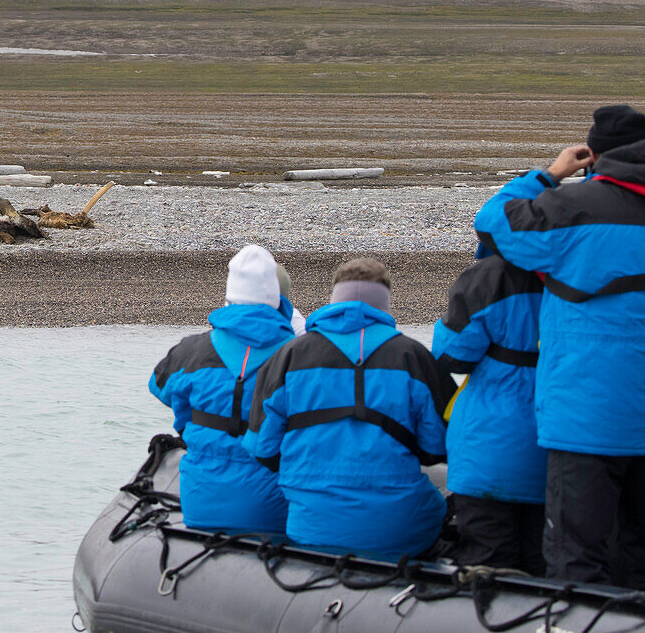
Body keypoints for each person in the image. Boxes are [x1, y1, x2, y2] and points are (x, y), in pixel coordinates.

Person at [473, 104, 645, 587]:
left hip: (585, 420)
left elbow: (492, 223)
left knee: (576, 563)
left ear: (594, 157)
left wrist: (549, 174)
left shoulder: (569, 210)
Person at [244, 258, 454, 560]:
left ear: (334, 299)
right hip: (399, 529)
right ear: (386, 302)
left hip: (312, 526)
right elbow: (436, 449)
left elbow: (263, 449)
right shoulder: (413, 356)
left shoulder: (287, 357)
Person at [149, 244, 297, 534]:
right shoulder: (300, 356)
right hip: (274, 509)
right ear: (276, 299)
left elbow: (159, 386)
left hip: (199, 504)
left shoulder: (190, 350)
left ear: (229, 295)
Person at [432, 252, 546, 575]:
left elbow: (451, 355)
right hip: (558, 452)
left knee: (489, 572)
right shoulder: (571, 268)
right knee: (546, 570)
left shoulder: (488, 277)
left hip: (487, 455)